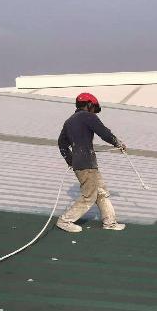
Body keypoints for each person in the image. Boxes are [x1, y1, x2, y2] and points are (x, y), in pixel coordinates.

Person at [56, 93, 126, 232]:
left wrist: (71, 160)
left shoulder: (69, 121)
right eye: (94, 108)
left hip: (81, 163)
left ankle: (110, 222)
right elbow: (104, 133)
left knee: (100, 192)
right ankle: (65, 221)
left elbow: (61, 143)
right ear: (89, 105)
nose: (94, 111)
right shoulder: (88, 116)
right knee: (89, 196)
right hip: (86, 163)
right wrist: (118, 143)